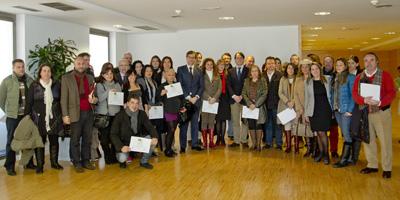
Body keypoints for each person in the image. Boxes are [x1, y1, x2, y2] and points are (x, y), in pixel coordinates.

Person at [352, 52, 396, 179]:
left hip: (381, 113)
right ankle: (372, 165)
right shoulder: (359, 77)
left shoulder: (385, 75)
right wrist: (363, 100)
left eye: (372, 60)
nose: (369, 63)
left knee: (385, 140)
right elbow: (355, 93)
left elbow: (391, 93)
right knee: (368, 139)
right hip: (365, 113)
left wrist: (381, 102)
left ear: (377, 62)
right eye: (366, 60)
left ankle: (387, 168)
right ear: (363, 63)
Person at [25, 64, 63, 174]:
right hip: (38, 118)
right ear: (40, 73)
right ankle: (40, 165)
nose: (46, 73)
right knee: (39, 142)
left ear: (51, 73)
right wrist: (27, 116)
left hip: (54, 117)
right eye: (44, 71)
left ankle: (54, 163)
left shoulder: (56, 85)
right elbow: (29, 102)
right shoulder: (34, 85)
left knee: (54, 141)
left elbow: (61, 100)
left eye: (49, 71)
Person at [61, 56, 97, 173]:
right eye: (79, 63)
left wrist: (94, 100)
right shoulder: (66, 78)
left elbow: (95, 97)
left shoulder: (90, 78)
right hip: (74, 114)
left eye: (83, 63)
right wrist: (65, 115)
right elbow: (63, 99)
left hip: (89, 113)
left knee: (87, 139)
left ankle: (86, 160)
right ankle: (76, 162)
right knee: (75, 139)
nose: (81, 65)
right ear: (74, 64)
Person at [0, 59, 34, 176]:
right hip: (13, 117)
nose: (21, 69)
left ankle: (28, 163)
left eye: (22, 67)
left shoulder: (30, 80)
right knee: (11, 142)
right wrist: (10, 111)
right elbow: (1, 100)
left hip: (26, 116)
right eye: (18, 67)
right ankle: (10, 166)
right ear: (13, 68)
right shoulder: (7, 81)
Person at [110, 95, 158, 169]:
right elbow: (113, 134)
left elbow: (150, 127)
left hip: (136, 141)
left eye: (137, 103)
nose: (134, 105)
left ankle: (144, 162)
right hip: (124, 143)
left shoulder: (142, 114)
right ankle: (124, 160)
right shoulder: (119, 115)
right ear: (128, 103)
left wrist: (155, 137)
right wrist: (121, 147)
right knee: (122, 158)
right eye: (132, 103)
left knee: (151, 140)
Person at [305, 62, 332, 165]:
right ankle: (321, 153)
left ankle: (326, 155)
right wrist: (306, 114)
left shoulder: (327, 79)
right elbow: (307, 99)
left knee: (322, 132)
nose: (315, 71)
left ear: (319, 69)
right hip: (313, 110)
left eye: (316, 69)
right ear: (310, 71)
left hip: (325, 110)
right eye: (312, 69)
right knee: (317, 132)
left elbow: (331, 95)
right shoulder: (308, 82)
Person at [177, 50, 205, 152]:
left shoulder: (199, 70)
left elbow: (201, 86)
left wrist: (196, 97)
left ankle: (194, 144)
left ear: (195, 59)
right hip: (185, 101)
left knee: (195, 123)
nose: (191, 59)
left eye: (193, 57)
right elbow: (180, 85)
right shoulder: (181, 69)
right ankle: (183, 146)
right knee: (184, 124)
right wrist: (188, 98)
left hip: (196, 101)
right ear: (186, 57)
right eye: (189, 57)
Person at [94, 63, 122, 165]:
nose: (109, 76)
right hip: (104, 116)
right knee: (104, 139)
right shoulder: (100, 85)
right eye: (107, 74)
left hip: (116, 115)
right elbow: (100, 98)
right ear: (102, 75)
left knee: (115, 137)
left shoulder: (117, 84)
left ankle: (113, 156)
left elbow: (120, 100)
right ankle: (107, 155)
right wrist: (109, 91)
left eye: (111, 73)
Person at [331, 58, 356, 168]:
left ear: (345, 66)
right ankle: (350, 158)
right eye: (337, 65)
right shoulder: (336, 77)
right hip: (337, 110)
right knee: (345, 134)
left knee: (346, 134)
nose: (338, 67)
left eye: (341, 65)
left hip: (346, 111)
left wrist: (350, 110)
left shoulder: (350, 77)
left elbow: (353, 95)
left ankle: (344, 160)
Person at [156, 69, 185, 157]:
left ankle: (169, 148)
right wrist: (161, 94)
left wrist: (183, 106)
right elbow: (157, 99)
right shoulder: (162, 86)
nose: (171, 76)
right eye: (169, 75)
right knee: (171, 129)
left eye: (173, 75)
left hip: (177, 111)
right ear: (165, 76)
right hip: (168, 111)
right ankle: (167, 150)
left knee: (173, 130)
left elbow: (182, 98)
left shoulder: (177, 85)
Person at [242, 65, 268, 151]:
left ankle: (258, 144)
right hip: (249, 107)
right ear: (250, 73)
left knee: (258, 125)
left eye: (256, 71)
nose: (254, 73)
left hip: (259, 106)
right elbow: (244, 93)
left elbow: (265, 93)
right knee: (251, 125)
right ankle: (253, 144)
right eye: (252, 71)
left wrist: (256, 104)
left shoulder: (263, 80)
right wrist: (249, 104)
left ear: (259, 72)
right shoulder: (246, 81)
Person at [227, 52, 249, 147]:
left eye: (241, 58)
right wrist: (234, 96)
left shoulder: (248, 70)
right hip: (234, 100)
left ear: (243, 59)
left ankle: (244, 140)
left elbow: (248, 84)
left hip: (244, 100)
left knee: (245, 121)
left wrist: (242, 96)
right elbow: (228, 85)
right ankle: (236, 141)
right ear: (234, 60)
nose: (239, 59)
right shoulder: (230, 71)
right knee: (235, 121)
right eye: (237, 58)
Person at [141, 65, 164, 152]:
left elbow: (156, 95)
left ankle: (154, 146)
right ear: (144, 72)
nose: (149, 72)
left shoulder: (154, 82)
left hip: (155, 108)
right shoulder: (141, 81)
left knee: (156, 127)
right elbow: (142, 95)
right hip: (146, 108)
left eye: (150, 71)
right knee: (148, 128)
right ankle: (148, 148)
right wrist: (147, 104)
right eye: (147, 71)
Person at [294, 59, 314, 157]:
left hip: (312, 108)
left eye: (307, 67)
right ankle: (309, 149)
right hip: (301, 109)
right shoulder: (298, 79)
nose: (305, 69)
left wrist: (308, 109)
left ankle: (315, 149)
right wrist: (299, 108)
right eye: (303, 67)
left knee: (313, 130)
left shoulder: (314, 78)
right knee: (306, 130)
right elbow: (295, 94)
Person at [200, 58, 221, 149]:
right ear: (204, 65)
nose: (209, 66)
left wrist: (214, 98)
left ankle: (211, 141)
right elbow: (201, 88)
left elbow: (219, 88)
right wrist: (208, 97)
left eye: (211, 64)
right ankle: (205, 142)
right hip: (205, 101)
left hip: (214, 102)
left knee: (212, 122)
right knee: (204, 121)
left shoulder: (217, 75)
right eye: (207, 64)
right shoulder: (201, 75)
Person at [263, 56, 283, 149]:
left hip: (277, 104)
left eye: (272, 63)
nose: (270, 65)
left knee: (278, 124)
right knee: (268, 124)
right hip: (265, 104)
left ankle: (279, 143)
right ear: (266, 65)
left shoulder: (280, 75)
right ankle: (268, 143)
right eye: (268, 63)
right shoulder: (262, 75)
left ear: (275, 65)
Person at [277, 63, 297, 153]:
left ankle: (296, 146)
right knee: (287, 126)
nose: (290, 70)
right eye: (289, 68)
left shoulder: (298, 79)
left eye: (292, 68)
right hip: (285, 106)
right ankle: (288, 146)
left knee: (295, 126)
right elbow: (280, 92)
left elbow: (300, 93)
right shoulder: (283, 79)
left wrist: (293, 101)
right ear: (286, 70)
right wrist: (287, 101)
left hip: (296, 105)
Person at [323, 56, 339, 158]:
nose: (328, 63)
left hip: (333, 106)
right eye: (326, 61)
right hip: (322, 107)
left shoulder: (337, 75)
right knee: (322, 131)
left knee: (334, 131)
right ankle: (323, 150)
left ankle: (333, 150)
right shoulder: (318, 74)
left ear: (333, 63)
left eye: (330, 62)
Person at [214, 59, 231, 146]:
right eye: (220, 65)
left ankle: (223, 139)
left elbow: (229, 88)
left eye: (223, 65)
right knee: (217, 120)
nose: (221, 66)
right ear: (217, 66)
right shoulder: (214, 75)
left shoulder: (227, 75)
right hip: (217, 98)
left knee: (224, 119)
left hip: (225, 99)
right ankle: (218, 139)